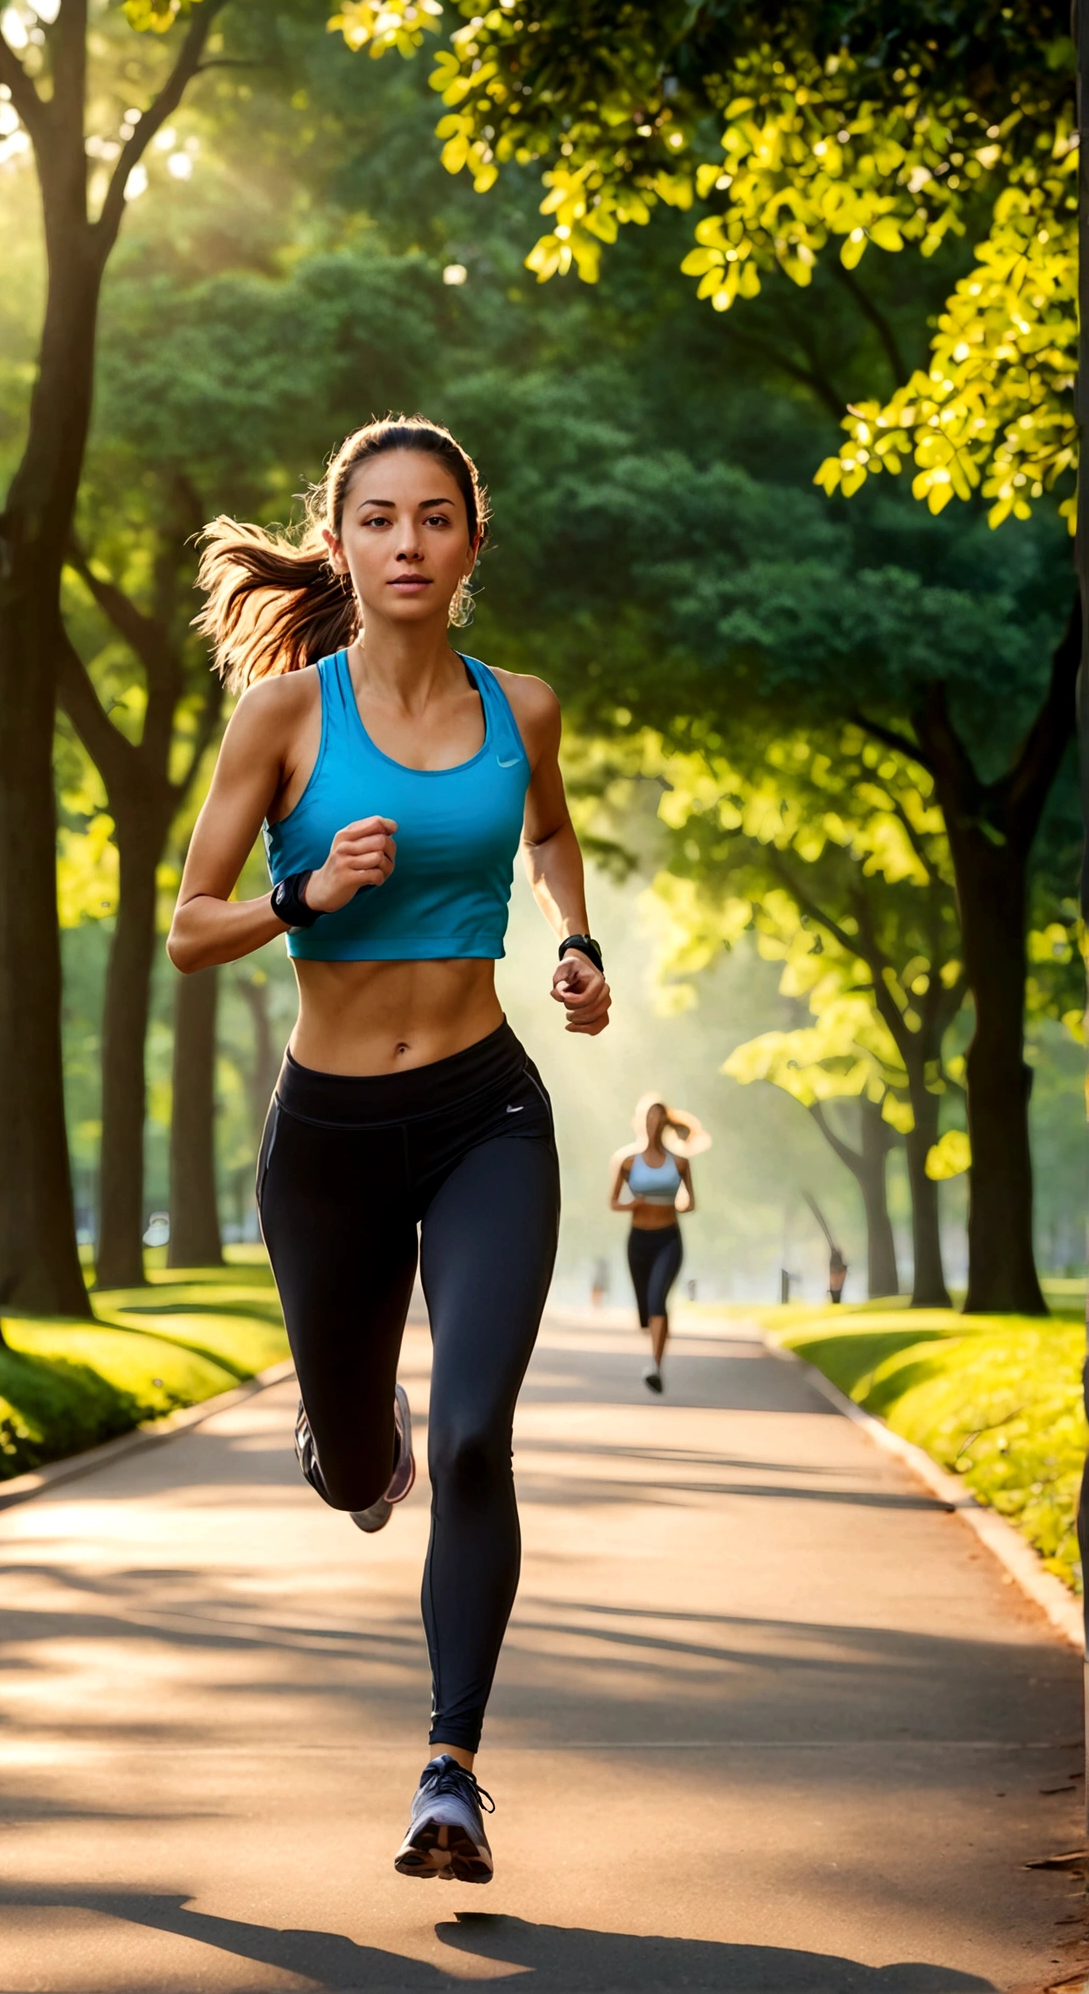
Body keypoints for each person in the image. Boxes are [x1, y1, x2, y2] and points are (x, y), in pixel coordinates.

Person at [167, 414, 610, 1885]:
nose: (407, 543)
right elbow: (187, 931)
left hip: (488, 1113)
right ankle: (354, 1441)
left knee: (478, 1437)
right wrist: (305, 895)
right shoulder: (286, 718)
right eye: (378, 519)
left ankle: (450, 1770)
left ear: (471, 544)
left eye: (434, 518)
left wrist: (578, 941)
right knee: (363, 1462)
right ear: (342, 540)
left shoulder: (523, 706)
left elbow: (547, 834)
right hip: (332, 1139)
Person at [609, 1096, 708, 1393]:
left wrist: (679, 1205)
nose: (654, 1123)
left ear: (665, 1123)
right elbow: (613, 1202)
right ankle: (654, 1335)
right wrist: (635, 1204)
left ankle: (656, 1366)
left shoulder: (679, 1162)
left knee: (657, 1302)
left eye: (659, 1118)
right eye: (649, 1117)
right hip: (638, 1240)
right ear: (643, 1122)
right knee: (644, 1312)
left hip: (669, 1239)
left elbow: (690, 1201)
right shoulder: (628, 1161)